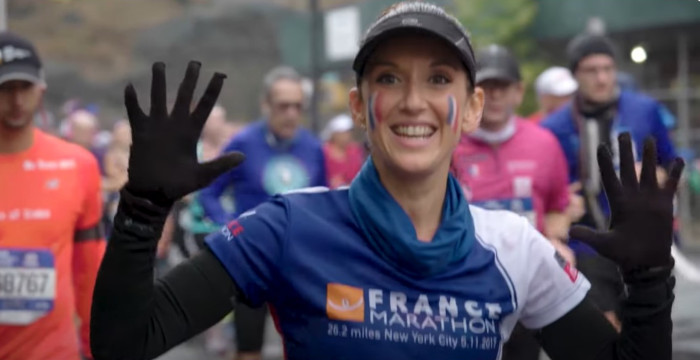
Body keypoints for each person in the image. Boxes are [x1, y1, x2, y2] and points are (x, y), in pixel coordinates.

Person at [90, 3, 684, 360]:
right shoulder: (288, 226)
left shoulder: (515, 249)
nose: (414, 103)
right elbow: (124, 343)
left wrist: (650, 281)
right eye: (390, 79)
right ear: (358, 103)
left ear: (472, 108)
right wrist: (142, 211)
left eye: (439, 79)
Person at [540, 33, 678, 330]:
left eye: (607, 69)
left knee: (646, 328)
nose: (602, 78)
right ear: (576, 74)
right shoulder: (553, 127)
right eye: (591, 71)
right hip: (587, 243)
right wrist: (560, 199)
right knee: (605, 327)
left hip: (641, 240)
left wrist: (658, 176)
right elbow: (544, 189)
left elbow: (672, 165)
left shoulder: (644, 110)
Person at [450, 44, 574, 360]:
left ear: (518, 92)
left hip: (525, 284)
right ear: (471, 94)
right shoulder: (447, 144)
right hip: (463, 285)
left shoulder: (544, 143)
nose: (493, 96)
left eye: (501, 87)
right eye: (485, 87)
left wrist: (557, 241)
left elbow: (559, 205)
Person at [198, 66, 326, 360]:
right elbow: (209, 192)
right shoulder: (243, 143)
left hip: (300, 267)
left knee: (305, 350)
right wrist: (230, 230)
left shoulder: (313, 147)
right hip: (252, 265)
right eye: (283, 106)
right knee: (249, 350)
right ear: (266, 105)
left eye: (298, 106)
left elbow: (322, 203)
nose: (292, 114)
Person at [0, 31, 106, 360]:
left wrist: (96, 348)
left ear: (41, 90)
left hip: (51, 351)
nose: (16, 99)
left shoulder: (77, 165)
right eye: (4, 88)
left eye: (25, 87)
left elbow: (89, 271)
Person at [321, 113, 365, 188]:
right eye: (343, 132)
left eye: (348, 132)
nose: (347, 135)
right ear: (334, 134)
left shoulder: (356, 151)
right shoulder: (323, 152)